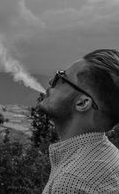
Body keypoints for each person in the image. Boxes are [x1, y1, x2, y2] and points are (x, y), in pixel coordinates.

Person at [39, 49, 119, 194]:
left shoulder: (70, 182)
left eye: (62, 78)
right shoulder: (109, 156)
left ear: (82, 103)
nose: (52, 82)